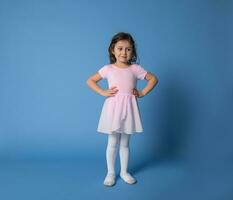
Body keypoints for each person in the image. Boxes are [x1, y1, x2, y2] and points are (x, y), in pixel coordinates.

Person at [86, 32, 158, 187]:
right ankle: (110, 173)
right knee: (112, 141)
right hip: (113, 108)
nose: (124, 52)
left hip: (129, 108)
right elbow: (90, 80)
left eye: (128, 49)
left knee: (125, 143)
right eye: (120, 48)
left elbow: (153, 78)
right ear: (113, 50)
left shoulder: (135, 69)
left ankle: (124, 172)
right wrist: (103, 92)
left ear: (132, 51)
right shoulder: (108, 69)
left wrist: (143, 92)